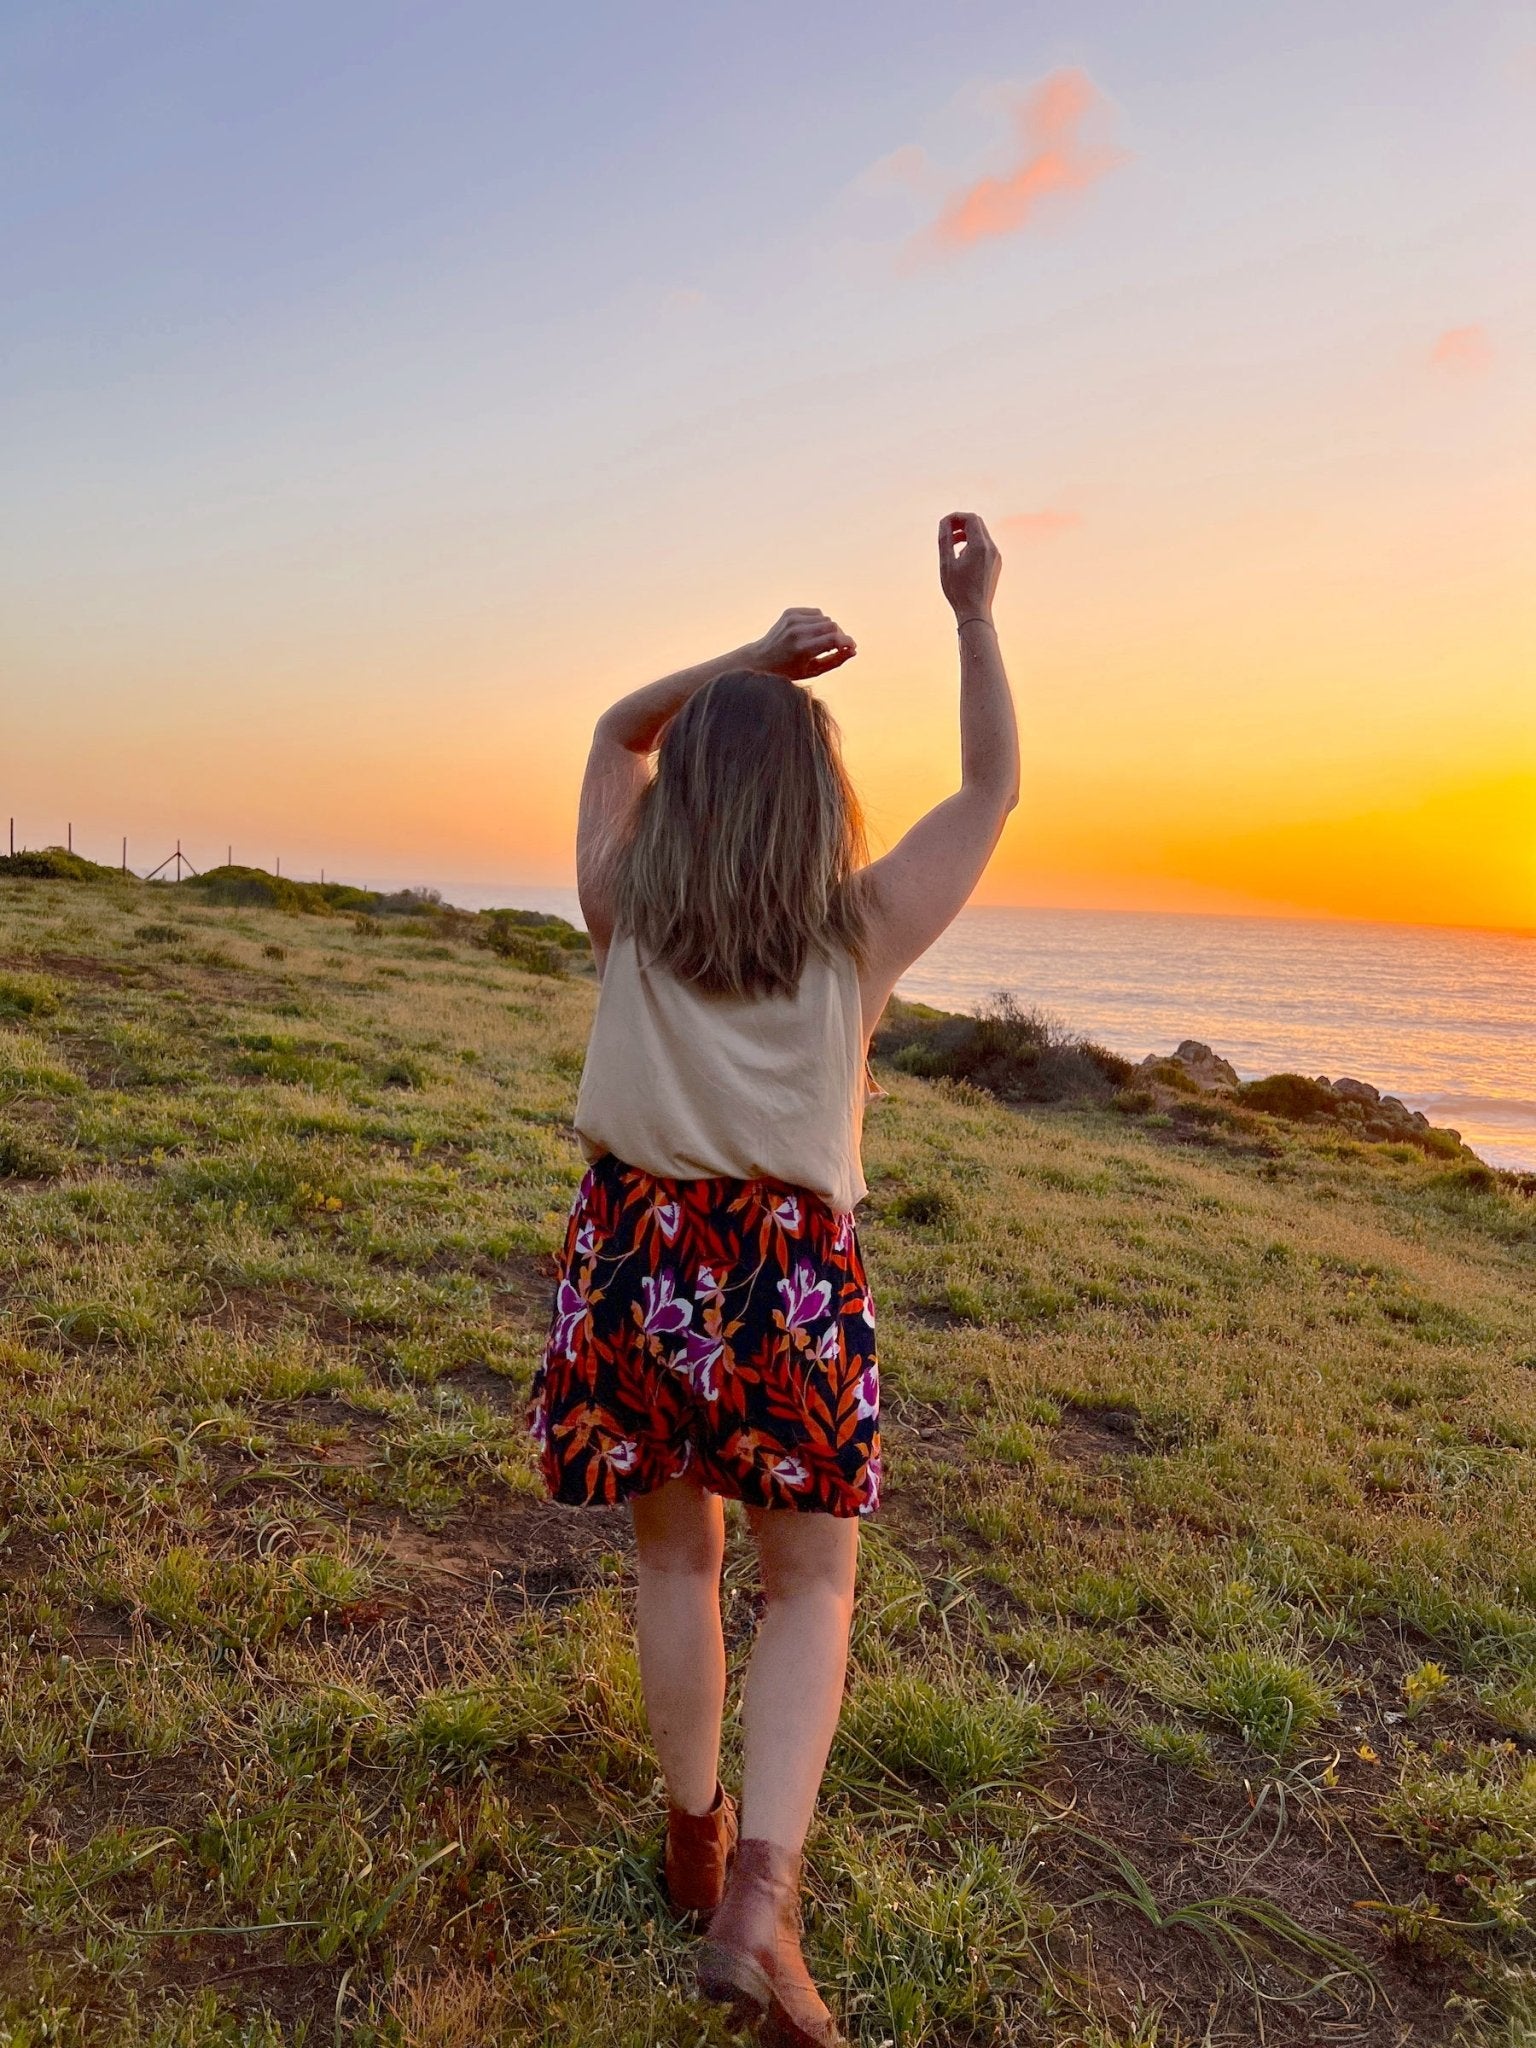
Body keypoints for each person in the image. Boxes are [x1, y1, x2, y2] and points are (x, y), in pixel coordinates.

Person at [527, 513, 1019, 2047]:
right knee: (810, 1586)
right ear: (820, 801)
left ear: (695, 791)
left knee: (675, 1563)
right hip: (790, 1279)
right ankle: (758, 1895)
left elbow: (620, 728)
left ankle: (690, 1836)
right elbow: (992, 788)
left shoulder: (624, 910)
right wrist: (973, 612)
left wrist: (744, 664)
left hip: (635, 1257)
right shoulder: (854, 937)